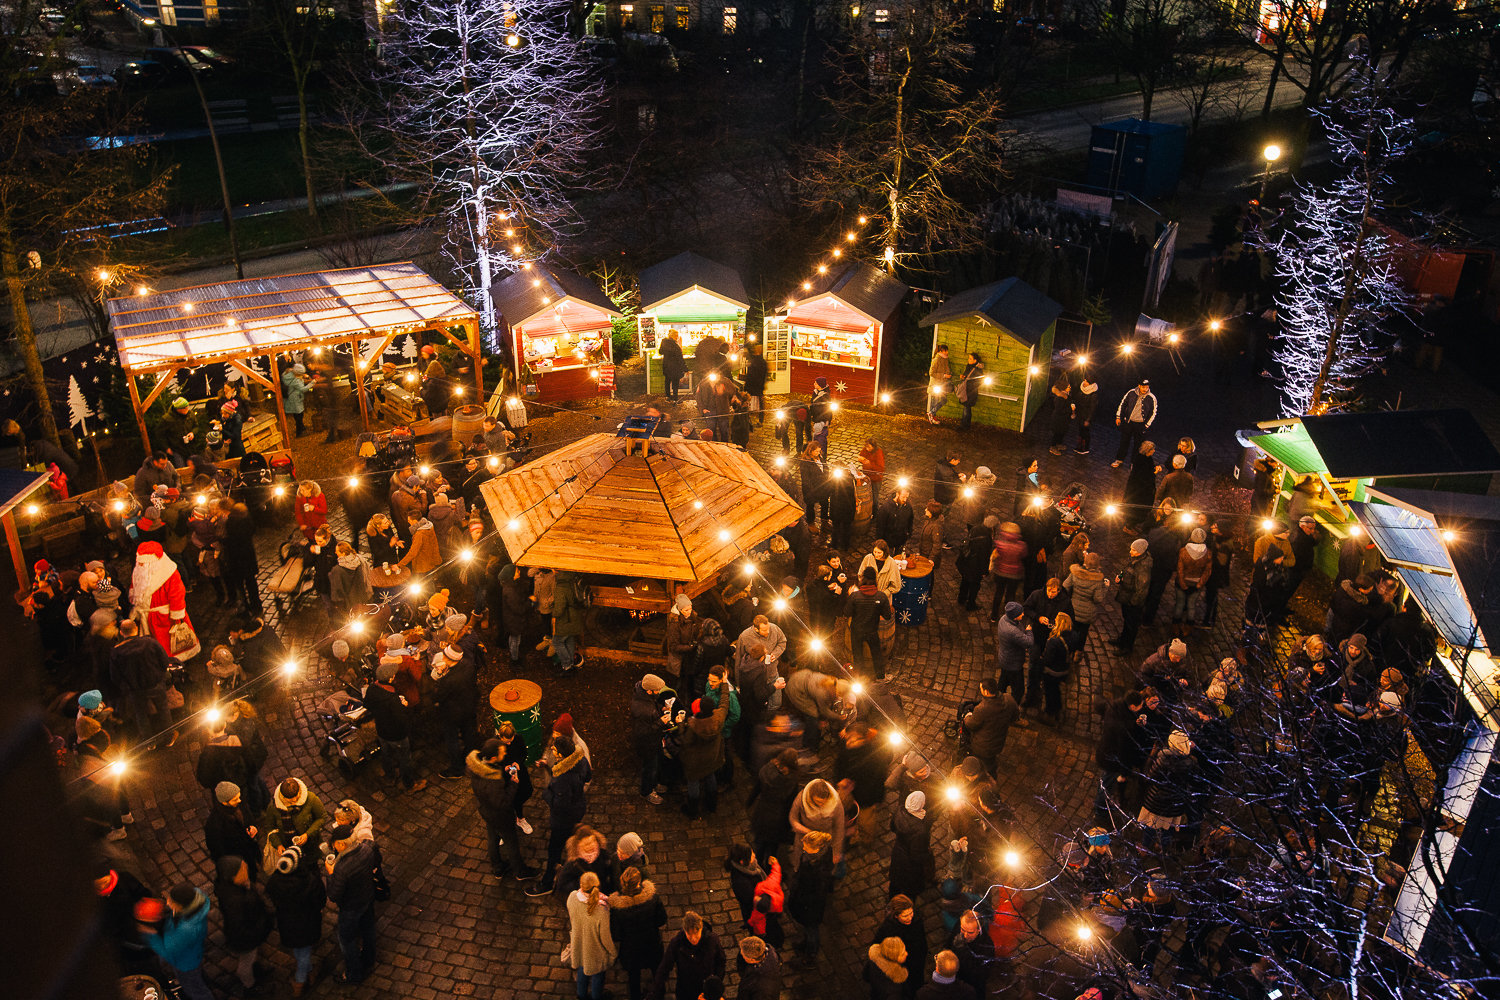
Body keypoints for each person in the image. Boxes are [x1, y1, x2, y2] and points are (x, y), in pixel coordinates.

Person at [265, 846, 326, 997]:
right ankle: (300, 981)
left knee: (299, 949)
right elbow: (320, 900)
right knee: (304, 951)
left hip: (287, 923)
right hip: (307, 922)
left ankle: (310, 970)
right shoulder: (310, 881)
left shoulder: (274, 882)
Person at [535, 735, 592, 895]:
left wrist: (546, 794)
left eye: (554, 750)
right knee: (569, 838)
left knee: (554, 848)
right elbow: (588, 776)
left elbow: (560, 805)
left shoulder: (563, 778)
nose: (552, 751)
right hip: (578, 809)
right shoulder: (580, 760)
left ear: (561, 754)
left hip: (563, 819)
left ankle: (547, 882)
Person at [325, 822, 379, 985]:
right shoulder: (367, 849)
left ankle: (354, 974)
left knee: (347, 940)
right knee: (368, 929)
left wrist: (330, 874)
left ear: (341, 844)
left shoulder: (341, 868)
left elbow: (334, 894)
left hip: (351, 907)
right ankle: (369, 959)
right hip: (367, 898)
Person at [362, 661, 428, 792]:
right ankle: (409, 784)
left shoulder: (372, 688)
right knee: (405, 759)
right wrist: (403, 705)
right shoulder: (392, 699)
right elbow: (402, 719)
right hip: (397, 735)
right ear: (390, 679)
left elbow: (367, 705)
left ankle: (390, 777)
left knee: (386, 755)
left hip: (381, 731)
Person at [142, 884, 214, 1000]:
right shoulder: (194, 902)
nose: (167, 903)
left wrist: (150, 935)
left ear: (181, 906)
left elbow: (168, 951)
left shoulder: (186, 929)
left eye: (171, 901)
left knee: (196, 991)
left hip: (185, 964)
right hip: (193, 953)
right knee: (197, 978)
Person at [214, 855, 271, 993]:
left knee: (251, 958)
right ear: (232, 877)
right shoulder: (235, 901)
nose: (246, 872)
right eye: (242, 871)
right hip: (246, 940)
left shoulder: (236, 887)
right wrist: (257, 933)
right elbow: (239, 927)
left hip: (252, 934)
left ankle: (255, 970)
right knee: (246, 963)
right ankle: (249, 985)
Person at [613, 866, 667, 1000]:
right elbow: (661, 920)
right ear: (639, 882)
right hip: (651, 944)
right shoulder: (652, 899)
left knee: (633, 977)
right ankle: (659, 995)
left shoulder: (618, 908)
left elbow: (616, 934)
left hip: (631, 949)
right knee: (656, 972)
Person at [651, 911, 726, 1000]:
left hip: (706, 991)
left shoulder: (712, 940)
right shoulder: (677, 943)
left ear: (701, 929)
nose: (693, 939)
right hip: (685, 991)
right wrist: (654, 993)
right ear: (685, 930)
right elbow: (664, 968)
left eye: (696, 934)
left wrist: (714, 984)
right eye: (689, 935)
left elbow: (721, 961)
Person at [566, 871, 616, 1000]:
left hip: (579, 944)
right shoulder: (601, 910)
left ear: (581, 885)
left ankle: (581, 995)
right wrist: (613, 953)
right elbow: (605, 938)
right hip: (595, 951)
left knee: (582, 971)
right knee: (597, 978)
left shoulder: (572, 897)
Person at [786, 829, 835, 958]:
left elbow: (818, 893)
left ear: (816, 848)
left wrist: (801, 899)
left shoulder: (819, 870)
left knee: (812, 929)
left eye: (806, 846)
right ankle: (806, 944)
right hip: (806, 903)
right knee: (808, 929)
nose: (803, 848)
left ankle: (811, 954)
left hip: (810, 907)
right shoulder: (813, 857)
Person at [964, 677, 1020, 775]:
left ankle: (989, 778)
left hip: (983, 746)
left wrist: (967, 717)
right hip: (999, 740)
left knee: (986, 764)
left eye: (981, 688)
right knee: (990, 758)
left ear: (986, 692)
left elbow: (971, 725)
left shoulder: (982, 709)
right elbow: (1015, 716)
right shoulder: (1008, 698)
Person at [874, 896, 927, 1000]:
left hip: (917, 961)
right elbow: (878, 946)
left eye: (911, 913)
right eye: (905, 916)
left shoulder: (917, 919)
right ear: (896, 916)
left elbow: (922, 938)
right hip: (901, 966)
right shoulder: (887, 929)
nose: (910, 918)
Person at [849, 565, 895, 680]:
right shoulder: (881, 596)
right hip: (872, 631)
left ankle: (858, 679)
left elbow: (846, 612)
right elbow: (887, 616)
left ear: (862, 579)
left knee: (858, 656)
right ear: (875, 579)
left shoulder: (855, 596)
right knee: (876, 654)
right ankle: (880, 677)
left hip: (856, 631)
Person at [889, 790, 934, 901]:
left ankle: (892, 899)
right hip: (910, 864)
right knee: (911, 888)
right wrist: (928, 856)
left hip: (898, 853)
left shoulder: (899, 810)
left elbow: (892, 827)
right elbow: (917, 855)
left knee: (895, 881)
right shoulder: (920, 830)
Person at [205, 781, 260, 872]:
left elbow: (249, 817)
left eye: (239, 797)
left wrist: (253, 826)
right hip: (237, 858)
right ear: (224, 802)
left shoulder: (240, 804)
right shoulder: (215, 824)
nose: (239, 800)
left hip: (249, 849)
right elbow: (217, 851)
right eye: (235, 799)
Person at [1111, 539, 1153, 652]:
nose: (1130, 552)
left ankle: (1127, 646)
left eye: (1133, 550)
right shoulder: (1136, 559)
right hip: (1127, 597)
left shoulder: (1143, 566)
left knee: (1131, 625)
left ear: (1141, 551)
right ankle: (1122, 640)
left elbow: (1141, 589)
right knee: (1127, 621)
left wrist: (1133, 603)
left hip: (1132, 602)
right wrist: (1121, 579)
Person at [1062, 551, 1107, 650]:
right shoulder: (1097, 579)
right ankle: (1078, 652)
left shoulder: (1075, 573)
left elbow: (1065, 585)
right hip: (1087, 613)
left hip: (1073, 609)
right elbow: (1098, 599)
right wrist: (1106, 588)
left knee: (1071, 630)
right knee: (1083, 633)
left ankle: (1069, 649)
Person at [1112, 379, 1158, 467]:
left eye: (1147, 387)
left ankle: (1134, 463)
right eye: (1143, 387)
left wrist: (1147, 425)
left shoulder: (1151, 397)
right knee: (1124, 442)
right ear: (1139, 386)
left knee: (1138, 445)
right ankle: (1119, 460)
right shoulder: (1131, 393)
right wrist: (1118, 417)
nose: (1145, 389)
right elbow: (1123, 404)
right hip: (1128, 422)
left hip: (1140, 425)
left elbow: (1153, 412)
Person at [1039, 613, 1073, 723]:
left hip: (1052, 672)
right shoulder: (1072, 636)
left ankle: (1050, 714)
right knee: (1056, 690)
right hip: (1064, 669)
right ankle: (1058, 708)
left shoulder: (1054, 641)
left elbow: (1048, 659)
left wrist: (1041, 661)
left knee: (1050, 692)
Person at [737, 935, 782, 1000]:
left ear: (751, 960)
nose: (741, 954)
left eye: (743, 955)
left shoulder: (762, 988)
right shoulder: (769, 952)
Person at [876, 488, 915, 555]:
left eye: (907, 497)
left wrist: (909, 533)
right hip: (888, 542)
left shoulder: (908, 507)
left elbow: (910, 521)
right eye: (903, 497)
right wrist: (880, 542)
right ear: (897, 494)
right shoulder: (886, 508)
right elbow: (880, 526)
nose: (905, 500)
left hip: (901, 541)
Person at [1072, 375, 1100, 455]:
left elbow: (1092, 408)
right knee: (1080, 430)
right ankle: (1079, 446)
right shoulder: (1081, 388)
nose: (1084, 382)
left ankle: (1085, 448)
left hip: (1086, 415)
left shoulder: (1093, 394)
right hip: (1080, 413)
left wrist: (1088, 419)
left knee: (1085, 432)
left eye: (1086, 381)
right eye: (1084, 380)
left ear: (1090, 383)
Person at [742, 345, 768, 423]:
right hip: (759, 385)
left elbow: (750, 374)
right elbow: (764, 375)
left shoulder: (753, 361)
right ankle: (761, 420)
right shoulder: (763, 362)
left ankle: (747, 419)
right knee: (760, 403)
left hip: (752, 385)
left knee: (747, 402)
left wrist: (746, 384)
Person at [927, 345, 952, 423]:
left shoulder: (946, 359)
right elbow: (931, 373)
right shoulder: (936, 360)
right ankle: (932, 417)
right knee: (935, 401)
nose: (947, 352)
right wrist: (944, 375)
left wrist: (948, 374)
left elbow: (947, 370)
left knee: (944, 400)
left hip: (942, 385)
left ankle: (931, 414)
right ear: (941, 351)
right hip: (935, 385)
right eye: (945, 350)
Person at [660, 329, 687, 402]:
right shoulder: (675, 345)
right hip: (675, 366)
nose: (677, 337)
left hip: (666, 365)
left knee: (667, 381)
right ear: (674, 336)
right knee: (675, 382)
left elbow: (660, 352)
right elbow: (680, 358)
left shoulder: (664, 342)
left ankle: (668, 396)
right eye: (676, 335)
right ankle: (675, 398)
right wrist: (685, 368)